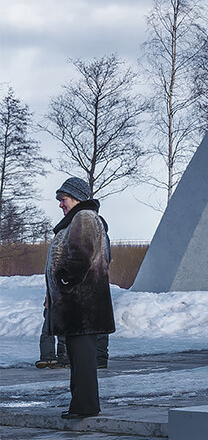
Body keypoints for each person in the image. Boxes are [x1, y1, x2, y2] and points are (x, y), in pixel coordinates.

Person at [46, 177, 114, 420]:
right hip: (79, 303)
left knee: (83, 357)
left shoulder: (84, 218)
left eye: (63, 199)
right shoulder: (78, 218)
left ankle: (85, 406)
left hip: (83, 305)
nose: (60, 204)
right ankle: (81, 404)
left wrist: (65, 279)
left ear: (75, 197)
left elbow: (81, 256)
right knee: (78, 356)